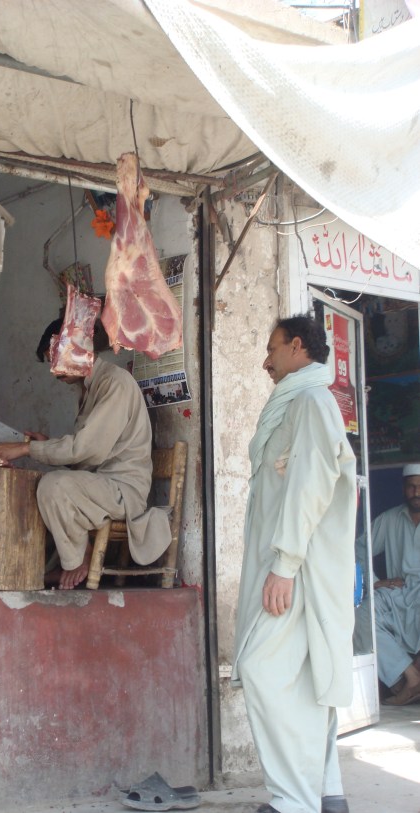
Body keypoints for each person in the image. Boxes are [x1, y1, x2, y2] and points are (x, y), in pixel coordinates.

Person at [232, 315, 357, 813]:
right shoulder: (299, 402)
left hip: (300, 570)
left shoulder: (310, 401)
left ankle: (293, 803)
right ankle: (327, 793)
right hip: (292, 566)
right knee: (307, 679)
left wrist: (283, 565)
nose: (266, 360)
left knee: (262, 670)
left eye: (272, 348)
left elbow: (310, 485)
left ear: (297, 347)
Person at [0, 318, 171, 590]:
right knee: (42, 487)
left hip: (123, 491)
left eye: (55, 359)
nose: (53, 371)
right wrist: (47, 444)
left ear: (80, 348)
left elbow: (86, 449)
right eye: (50, 363)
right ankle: (64, 560)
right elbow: (87, 453)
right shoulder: (87, 389)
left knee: (53, 486)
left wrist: (27, 448)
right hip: (102, 486)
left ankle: (75, 562)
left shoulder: (115, 383)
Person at [354, 465, 420, 705]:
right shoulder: (391, 519)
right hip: (397, 594)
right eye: (412, 486)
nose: (416, 492)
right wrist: (374, 582)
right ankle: (410, 679)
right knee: (361, 613)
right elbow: (359, 548)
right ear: (403, 488)